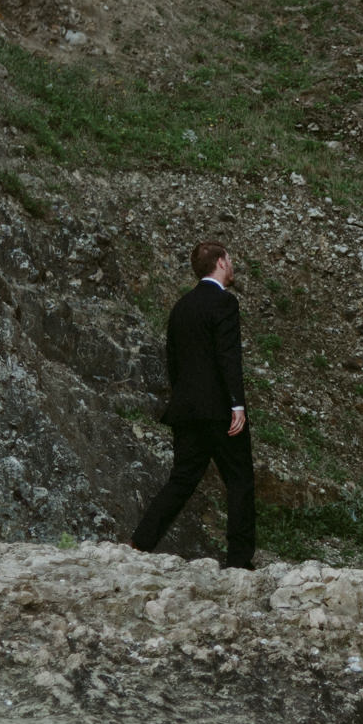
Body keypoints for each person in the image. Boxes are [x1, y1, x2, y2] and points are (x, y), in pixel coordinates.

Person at [131, 240, 255, 568]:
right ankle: (239, 562)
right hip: (220, 413)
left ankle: (140, 542)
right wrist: (237, 405)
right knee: (240, 480)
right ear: (220, 262)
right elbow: (228, 357)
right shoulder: (224, 303)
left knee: (182, 479)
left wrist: (183, 399)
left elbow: (173, 362)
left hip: (186, 410)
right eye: (229, 259)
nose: (232, 264)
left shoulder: (181, 307)